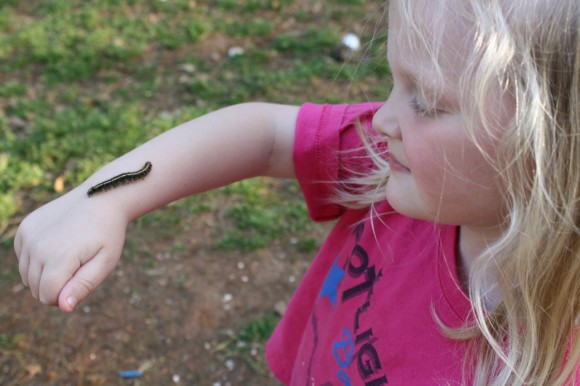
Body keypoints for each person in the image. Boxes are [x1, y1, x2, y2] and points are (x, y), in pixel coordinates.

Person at [14, 0, 579, 384]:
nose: (383, 119)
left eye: (426, 102)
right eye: (393, 83)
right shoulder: (404, 164)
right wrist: (105, 196)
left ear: (555, 151)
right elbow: (264, 135)